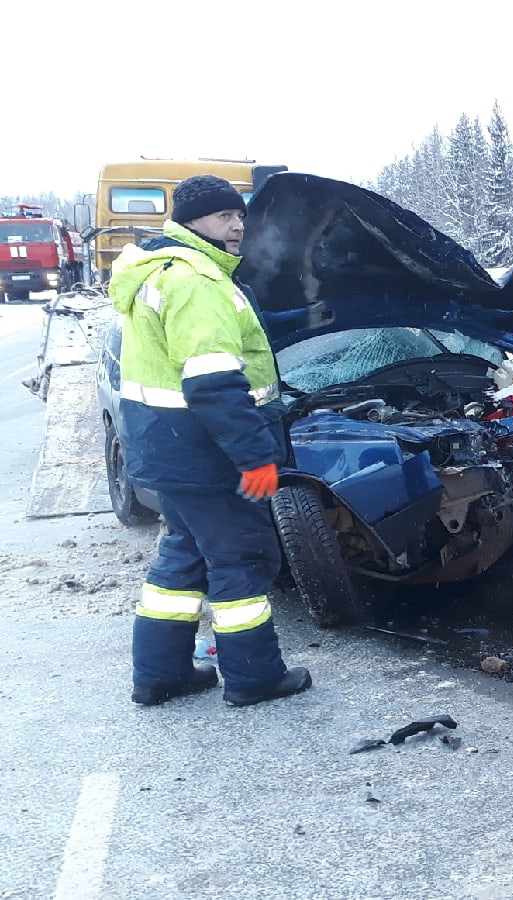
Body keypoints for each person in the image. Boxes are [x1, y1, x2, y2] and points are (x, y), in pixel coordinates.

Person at [109, 174, 312, 708]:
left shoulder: (162, 272)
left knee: (184, 558)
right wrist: (257, 458)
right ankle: (254, 677)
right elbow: (213, 383)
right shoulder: (197, 280)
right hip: (207, 454)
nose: (238, 225)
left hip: (166, 449)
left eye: (240, 215)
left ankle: (161, 673)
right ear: (192, 221)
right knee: (240, 558)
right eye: (225, 217)